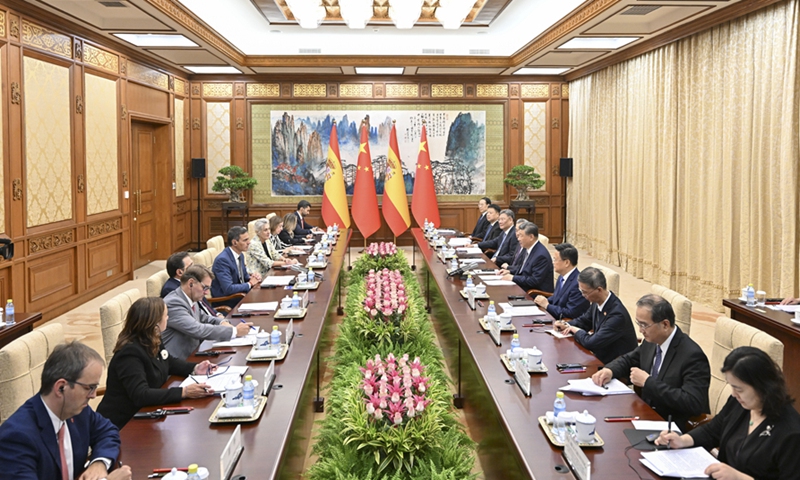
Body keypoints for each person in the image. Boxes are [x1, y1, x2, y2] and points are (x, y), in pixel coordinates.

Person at [656, 347, 800, 480]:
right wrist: (682, 440)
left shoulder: (791, 432)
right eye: (731, 386)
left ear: (762, 386)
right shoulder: (739, 404)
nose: (734, 394)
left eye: (739, 389)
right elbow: (712, 431)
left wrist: (739, 478)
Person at [0, 341, 132, 480]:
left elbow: (108, 431)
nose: (93, 395)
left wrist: (99, 463)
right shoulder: (16, 437)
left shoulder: (78, 411)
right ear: (61, 387)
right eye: (90, 387)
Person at [592, 294, 710, 430]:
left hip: (671, 427)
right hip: (644, 414)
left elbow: (693, 402)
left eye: (644, 325)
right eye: (639, 324)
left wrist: (648, 383)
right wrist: (609, 370)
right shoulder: (651, 341)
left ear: (665, 324)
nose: (640, 330)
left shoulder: (692, 355)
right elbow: (629, 360)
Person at [97, 297, 216, 428]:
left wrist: (196, 368)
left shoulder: (152, 338)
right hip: (123, 423)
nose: (168, 318)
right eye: (165, 315)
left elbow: (168, 362)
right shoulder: (129, 353)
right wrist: (184, 392)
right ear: (155, 325)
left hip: (148, 413)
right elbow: (140, 395)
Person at [164, 265, 253, 360]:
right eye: (205, 288)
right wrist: (234, 331)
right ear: (191, 283)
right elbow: (198, 329)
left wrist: (222, 322)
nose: (206, 293)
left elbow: (204, 317)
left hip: (194, 353)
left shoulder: (190, 297)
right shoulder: (174, 303)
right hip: (179, 363)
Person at [554, 267, 637, 364]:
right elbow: (584, 321)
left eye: (585, 292)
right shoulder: (596, 302)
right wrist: (566, 324)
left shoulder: (617, 315)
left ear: (599, 290)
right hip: (600, 358)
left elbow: (591, 343)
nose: (582, 295)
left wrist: (575, 330)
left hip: (616, 366)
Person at [533, 243, 590, 320]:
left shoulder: (578, 284)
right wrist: (543, 300)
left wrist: (547, 305)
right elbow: (557, 298)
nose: (553, 262)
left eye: (555, 259)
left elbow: (571, 313)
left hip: (567, 324)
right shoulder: (562, 276)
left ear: (567, 263)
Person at [211, 226, 262, 308]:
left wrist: (253, 277)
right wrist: (250, 283)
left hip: (240, 297)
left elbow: (244, 276)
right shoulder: (222, 260)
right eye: (245, 240)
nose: (249, 242)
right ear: (234, 243)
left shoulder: (240, 254)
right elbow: (228, 288)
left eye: (248, 239)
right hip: (228, 302)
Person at [161, 251, 221, 318]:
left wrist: (218, 315)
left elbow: (204, 305)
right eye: (190, 266)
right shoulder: (171, 290)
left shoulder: (195, 283)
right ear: (180, 272)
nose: (195, 268)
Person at [498, 222, 554, 293]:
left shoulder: (541, 255)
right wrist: (510, 271)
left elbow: (534, 281)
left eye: (521, 236)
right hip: (523, 287)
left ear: (531, 237)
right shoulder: (527, 248)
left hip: (534, 293)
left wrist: (513, 278)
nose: (518, 239)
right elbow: (523, 269)